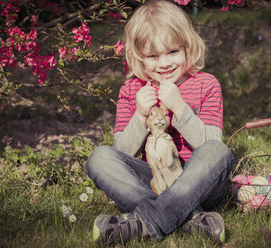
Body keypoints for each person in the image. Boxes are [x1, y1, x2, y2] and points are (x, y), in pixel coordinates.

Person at [86, 0, 233, 244]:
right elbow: (122, 152)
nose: (164, 64)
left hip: (198, 182)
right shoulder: (131, 90)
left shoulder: (206, 84)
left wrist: (180, 108)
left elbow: (211, 145)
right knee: (100, 158)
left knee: (219, 151)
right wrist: (140, 116)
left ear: (188, 47)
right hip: (154, 180)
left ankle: (144, 223)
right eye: (152, 56)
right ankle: (188, 218)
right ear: (138, 58)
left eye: (173, 52)